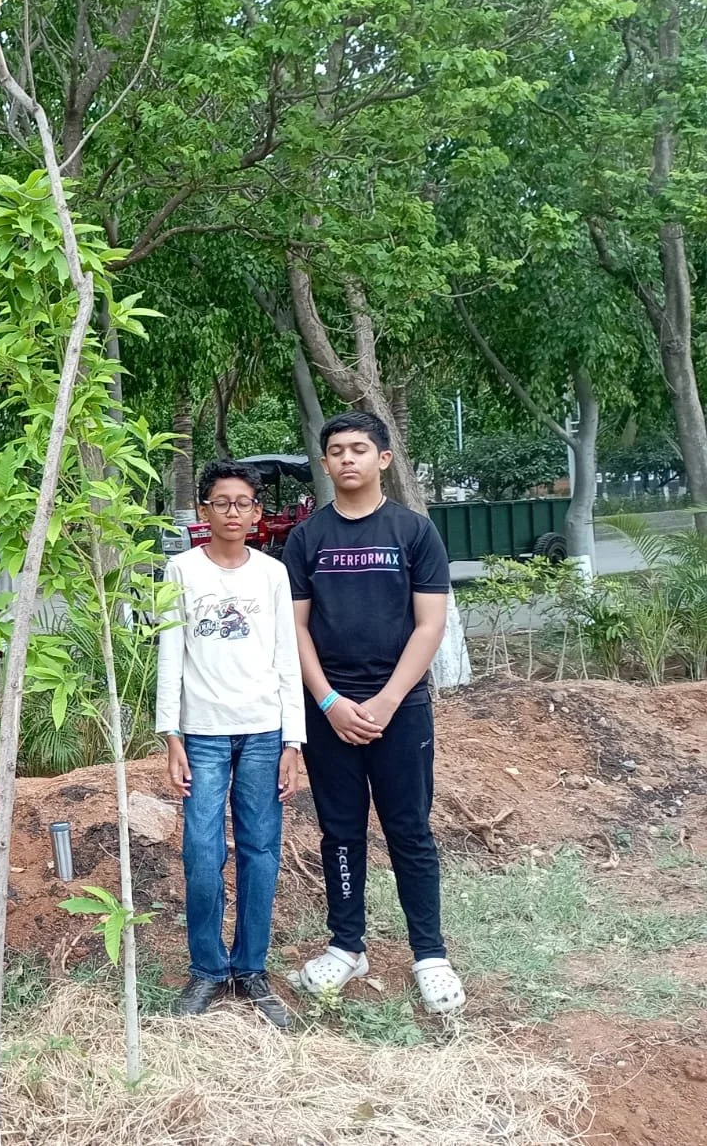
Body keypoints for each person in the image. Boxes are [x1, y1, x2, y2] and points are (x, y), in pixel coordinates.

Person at [282, 410, 466, 1014]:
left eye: (359, 449)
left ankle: (430, 954)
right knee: (340, 831)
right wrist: (329, 701)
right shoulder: (307, 538)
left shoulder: (413, 533)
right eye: (336, 451)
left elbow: (430, 624)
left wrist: (386, 701)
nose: (347, 460)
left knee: (409, 830)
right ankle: (346, 945)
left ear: (383, 458)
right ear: (326, 462)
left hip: (401, 711)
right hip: (327, 713)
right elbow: (296, 629)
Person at [157, 459, 306, 1028]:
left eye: (244, 503)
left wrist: (293, 739)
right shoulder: (180, 571)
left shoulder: (271, 573)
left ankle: (251, 968)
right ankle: (207, 970)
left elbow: (285, 658)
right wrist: (170, 733)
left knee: (261, 849)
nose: (234, 512)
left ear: (257, 513)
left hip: (265, 732)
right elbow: (170, 654)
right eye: (223, 502)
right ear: (204, 511)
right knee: (201, 850)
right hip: (203, 733)